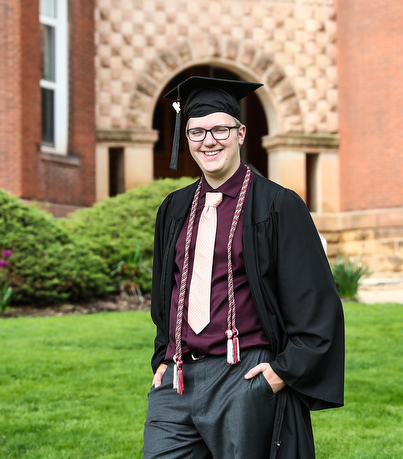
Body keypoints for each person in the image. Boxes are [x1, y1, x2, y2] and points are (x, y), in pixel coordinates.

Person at [143, 76, 345, 459]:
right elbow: (165, 294)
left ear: (240, 133)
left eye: (220, 128)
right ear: (187, 138)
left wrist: (280, 373)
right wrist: (163, 357)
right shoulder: (174, 208)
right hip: (178, 380)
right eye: (197, 131)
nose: (209, 140)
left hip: (244, 376)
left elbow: (317, 303)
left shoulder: (277, 206)